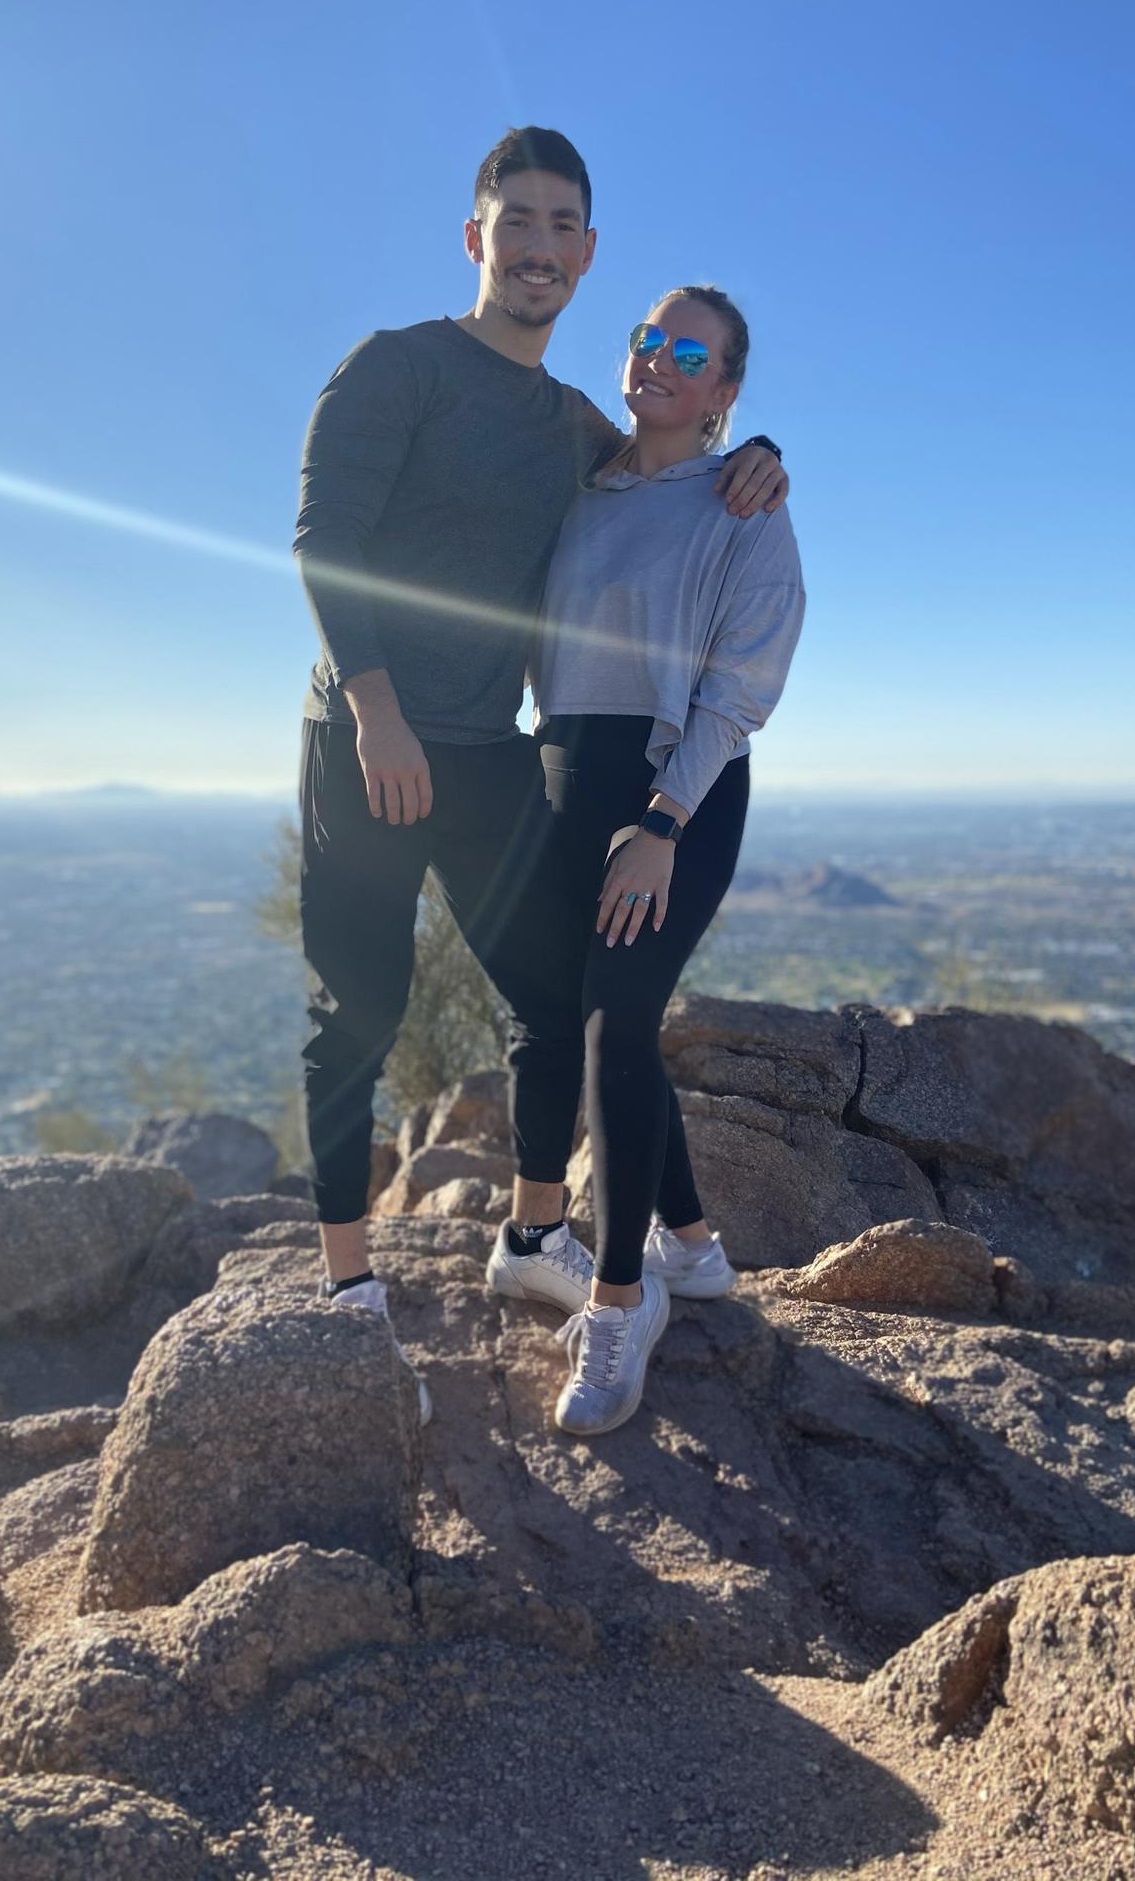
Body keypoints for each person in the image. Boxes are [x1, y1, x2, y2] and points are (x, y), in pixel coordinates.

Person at [292, 129, 788, 1421]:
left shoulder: (575, 428)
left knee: (561, 992)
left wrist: (762, 452)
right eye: (516, 220)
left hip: (498, 762)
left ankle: (534, 1238)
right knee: (359, 1003)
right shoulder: (400, 370)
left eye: (562, 224)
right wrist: (376, 712)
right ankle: (350, 1293)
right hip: (371, 743)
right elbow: (324, 537)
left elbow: (675, 468)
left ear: (585, 252)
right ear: (477, 238)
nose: (538, 245)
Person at [484, 286, 806, 1435]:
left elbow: (742, 688)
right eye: (647, 340)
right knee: (593, 1011)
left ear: (723, 391)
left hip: (679, 790)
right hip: (568, 771)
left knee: (620, 1021)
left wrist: (662, 823)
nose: (658, 360)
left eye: (691, 355)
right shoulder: (582, 469)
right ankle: (695, 1243)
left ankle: (624, 1305)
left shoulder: (743, 507)